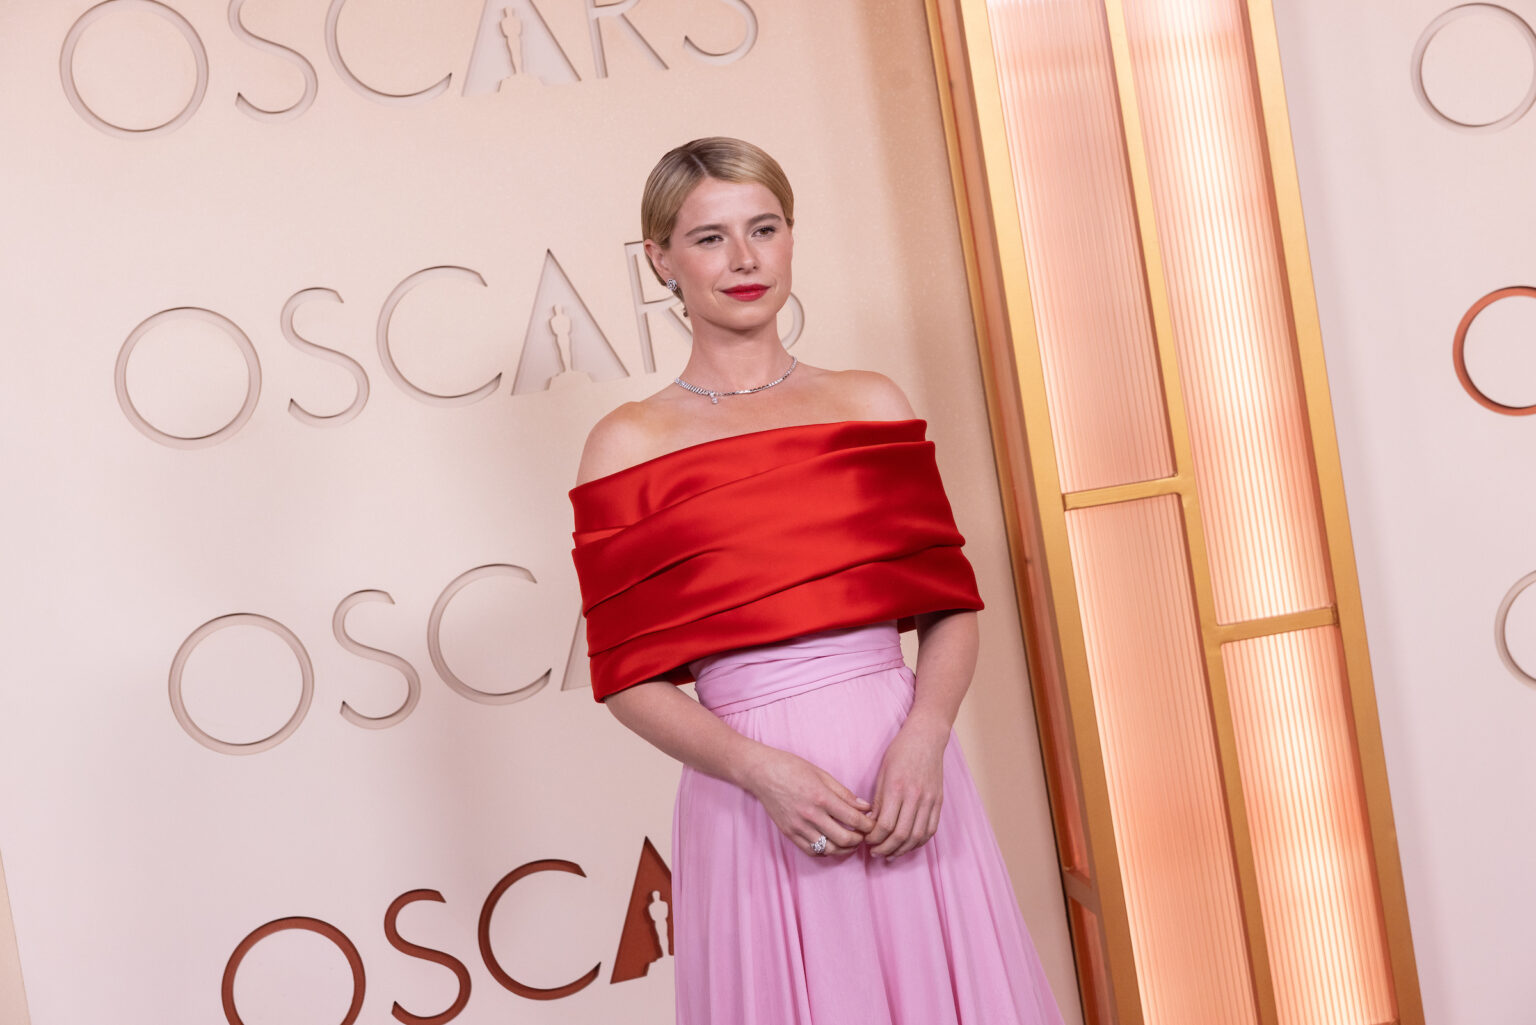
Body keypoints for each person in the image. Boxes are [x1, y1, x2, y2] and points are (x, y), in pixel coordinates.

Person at [569, 137, 1065, 1024]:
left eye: (763, 228)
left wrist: (926, 735)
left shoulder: (869, 402)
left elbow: (952, 608)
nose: (745, 259)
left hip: (904, 773)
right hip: (751, 791)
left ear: (792, 237)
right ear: (661, 261)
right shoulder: (628, 443)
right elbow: (629, 681)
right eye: (711, 238)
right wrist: (759, 771)